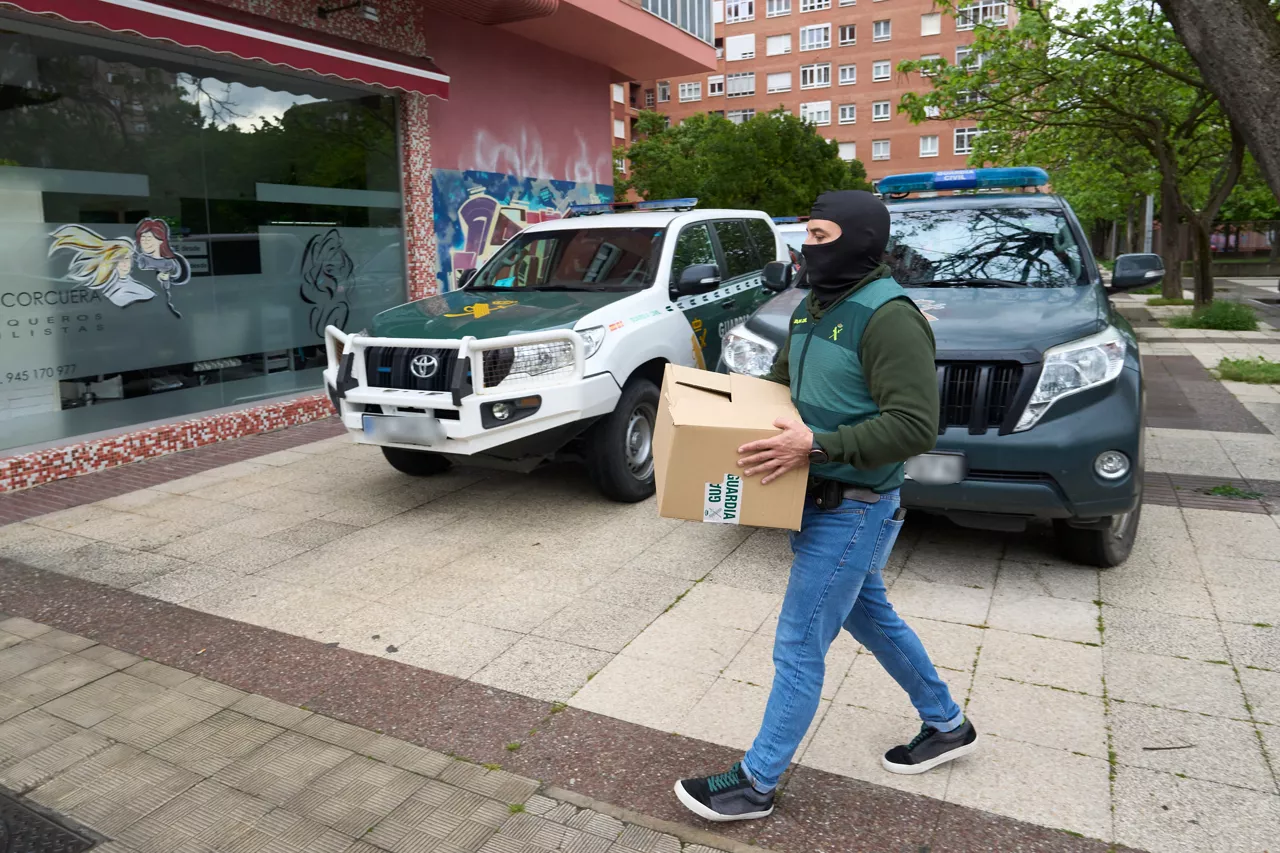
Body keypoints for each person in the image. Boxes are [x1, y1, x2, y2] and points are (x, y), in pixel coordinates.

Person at [674, 190, 977, 822]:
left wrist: (819, 442)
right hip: (813, 499)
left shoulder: (889, 316)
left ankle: (754, 785)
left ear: (861, 241)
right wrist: (722, 422)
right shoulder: (813, 307)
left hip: (856, 506)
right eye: (805, 235)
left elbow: (915, 427)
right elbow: (780, 387)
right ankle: (946, 722)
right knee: (872, 616)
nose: (806, 247)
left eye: (819, 234)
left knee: (799, 643)